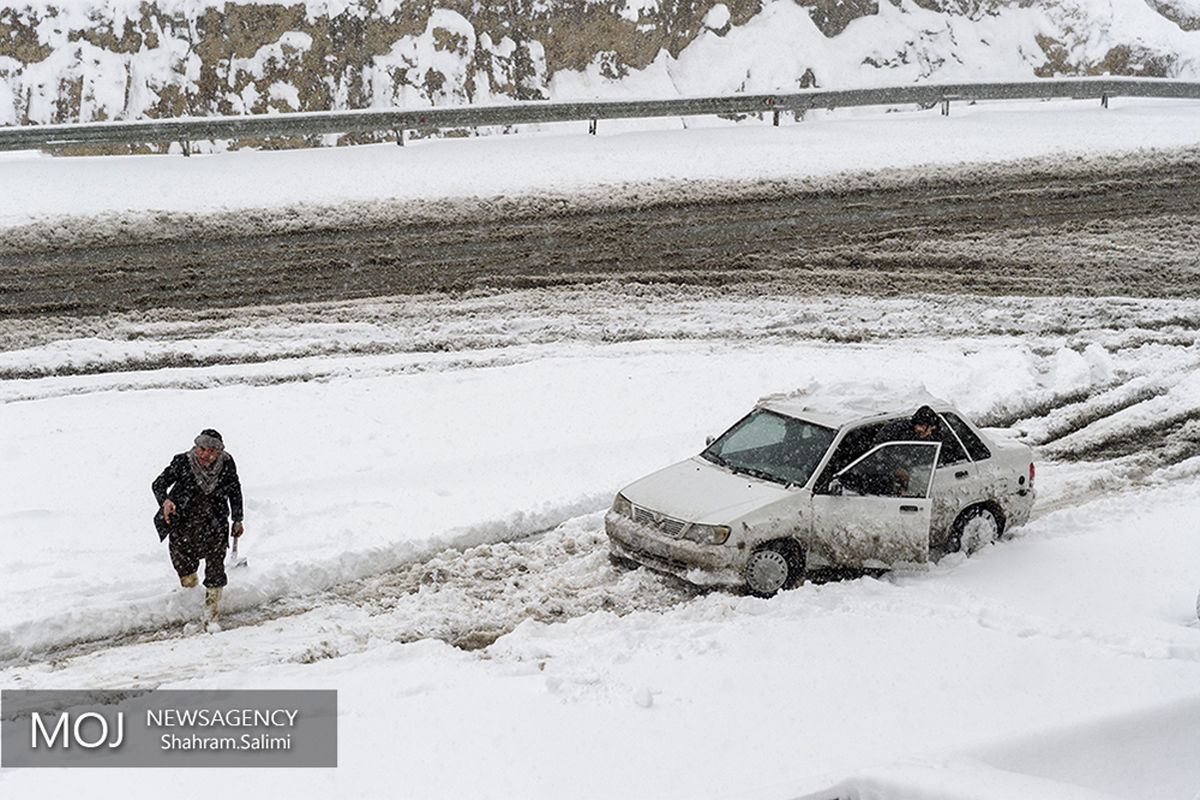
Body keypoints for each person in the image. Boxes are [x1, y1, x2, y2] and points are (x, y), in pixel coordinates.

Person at [152, 429, 244, 629]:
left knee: (215, 566)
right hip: (183, 522)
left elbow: (235, 490)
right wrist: (165, 501)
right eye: (202, 449)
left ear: (219, 453)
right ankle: (191, 596)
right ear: (196, 447)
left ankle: (211, 613)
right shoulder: (182, 462)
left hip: (214, 524)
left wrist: (238, 519)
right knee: (183, 563)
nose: (206, 455)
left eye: (212, 451)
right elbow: (158, 484)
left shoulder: (226, 464)